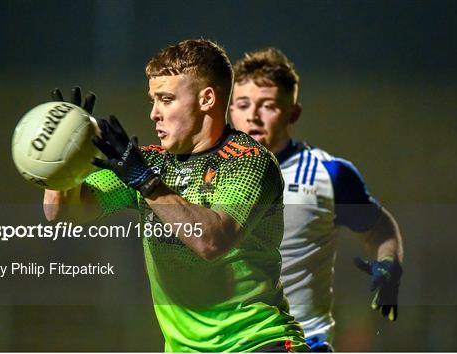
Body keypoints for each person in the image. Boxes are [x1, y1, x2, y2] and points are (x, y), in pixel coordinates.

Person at [44, 40, 310, 352]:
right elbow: (61, 215)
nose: (154, 113)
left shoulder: (249, 160)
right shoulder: (150, 163)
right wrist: (63, 164)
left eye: (166, 99)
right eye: (153, 100)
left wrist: (146, 183)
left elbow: (211, 241)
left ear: (206, 99)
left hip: (258, 342)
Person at [229, 48, 404, 351]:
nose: (253, 115)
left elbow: (380, 230)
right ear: (230, 111)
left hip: (300, 343)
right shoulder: (205, 173)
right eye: (243, 104)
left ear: (292, 113)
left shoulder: (329, 174)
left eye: (267, 105)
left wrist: (389, 264)